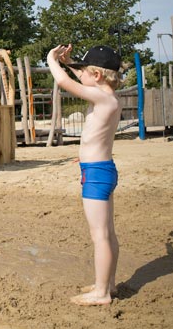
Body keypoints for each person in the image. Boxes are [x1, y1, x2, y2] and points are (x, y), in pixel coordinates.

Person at [47, 44, 123, 306]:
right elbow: (82, 78)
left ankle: (101, 293)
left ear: (98, 76)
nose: (80, 74)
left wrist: (52, 59)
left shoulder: (102, 98)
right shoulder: (108, 97)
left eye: (84, 71)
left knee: (99, 235)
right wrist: (71, 63)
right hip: (101, 168)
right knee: (108, 233)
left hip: (97, 173)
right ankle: (108, 283)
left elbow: (62, 81)